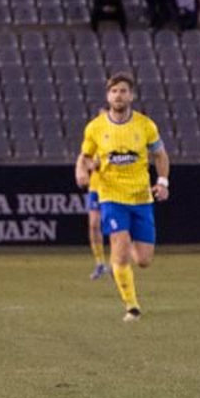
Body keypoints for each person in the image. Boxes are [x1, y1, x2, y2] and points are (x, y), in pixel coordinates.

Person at [76, 74, 171, 321]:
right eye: (114, 91)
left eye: (123, 91)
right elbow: (85, 155)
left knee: (144, 260)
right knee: (119, 249)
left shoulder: (145, 125)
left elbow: (160, 155)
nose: (119, 95)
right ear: (108, 96)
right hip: (111, 197)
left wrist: (162, 182)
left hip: (141, 198)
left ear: (131, 95)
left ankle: (123, 249)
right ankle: (132, 307)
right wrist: (83, 170)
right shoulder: (95, 127)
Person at [82, 107, 110, 281]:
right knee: (93, 225)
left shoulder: (118, 137)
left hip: (114, 187)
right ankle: (100, 263)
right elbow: (85, 158)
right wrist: (91, 166)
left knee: (115, 227)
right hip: (95, 187)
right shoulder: (94, 136)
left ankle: (118, 262)